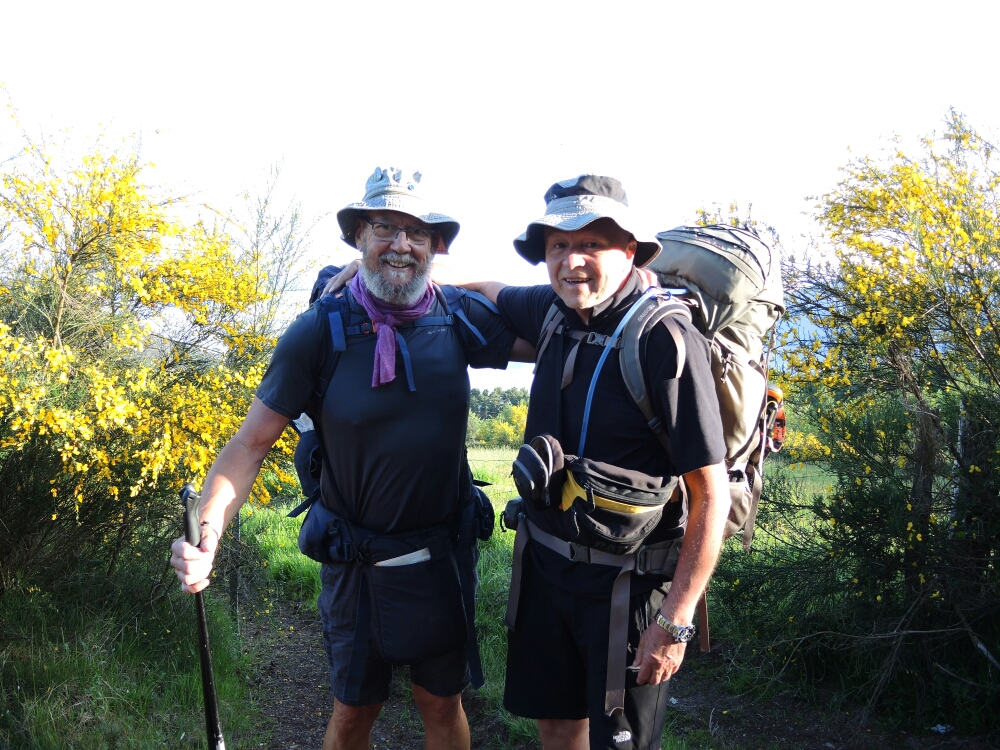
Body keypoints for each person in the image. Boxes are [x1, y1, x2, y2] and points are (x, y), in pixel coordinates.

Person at [170, 166, 522, 750]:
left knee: (441, 703)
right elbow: (249, 445)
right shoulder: (319, 331)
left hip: (441, 557)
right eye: (384, 227)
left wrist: (466, 279)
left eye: (416, 232)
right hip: (356, 564)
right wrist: (206, 535)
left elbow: (555, 326)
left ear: (436, 244)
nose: (400, 243)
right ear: (358, 236)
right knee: (355, 711)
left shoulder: (456, 316)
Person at [464, 175, 731, 750]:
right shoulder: (553, 311)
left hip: (627, 591)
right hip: (546, 570)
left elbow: (712, 493)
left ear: (629, 251)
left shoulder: (664, 338)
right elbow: (488, 289)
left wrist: (675, 621)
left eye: (591, 244)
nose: (571, 262)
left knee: (621, 744)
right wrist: (377, 280)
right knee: (557, 729)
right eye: (558, 246)